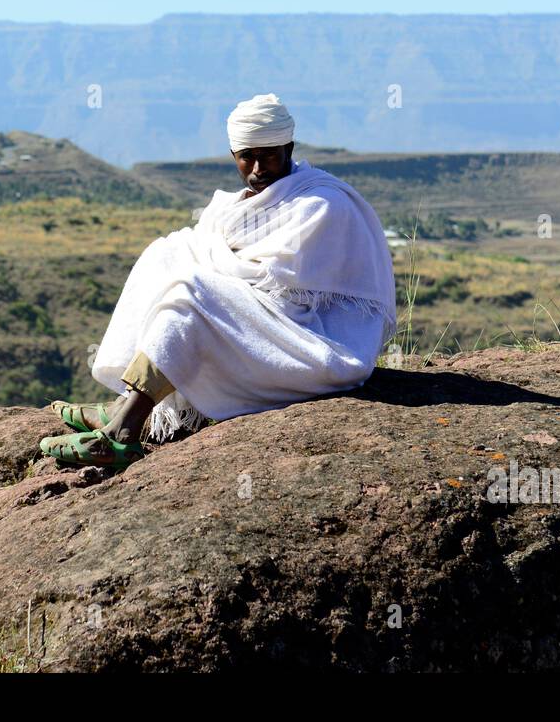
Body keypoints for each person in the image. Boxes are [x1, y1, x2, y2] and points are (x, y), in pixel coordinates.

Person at [42, 93, 397, 468]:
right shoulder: (238, 204)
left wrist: (207, 273)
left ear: (289, 147)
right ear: (233, 155)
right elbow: (224, 262)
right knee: (167, 253)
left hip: (310, 340)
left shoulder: (323, 204)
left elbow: (275, 283)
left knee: (192, 292)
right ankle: (123, 404)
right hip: (262, 325)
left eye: (270, 155)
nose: (258, 167)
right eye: (247, 156)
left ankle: (122, 433)